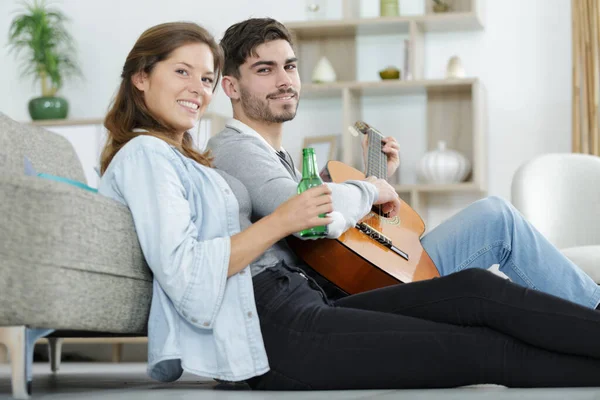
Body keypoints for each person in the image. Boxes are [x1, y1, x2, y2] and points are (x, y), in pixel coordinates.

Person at [98, 21, 600, 391]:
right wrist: (286, 218)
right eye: (183, 73)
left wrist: (360, 189)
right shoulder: (153, 154)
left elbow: (311, 227)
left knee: (475, 290)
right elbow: (189, 273)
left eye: (204, 78)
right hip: (273, 325)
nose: (197, 90)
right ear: (141, 77)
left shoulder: (188, 158)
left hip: (295, 298)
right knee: (480, 348)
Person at [206, 17, 600, 309]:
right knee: (497, 221)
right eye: (265, 70)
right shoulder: (235, 147)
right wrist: (371, 187)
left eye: (290, 66)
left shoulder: (276, 151)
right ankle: (593, 311)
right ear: (231, 87)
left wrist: (377, 177)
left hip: (357, 274)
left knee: (497, 218)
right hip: (341, 293)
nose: (284, 80)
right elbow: (302, 209)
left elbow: (342, 241)